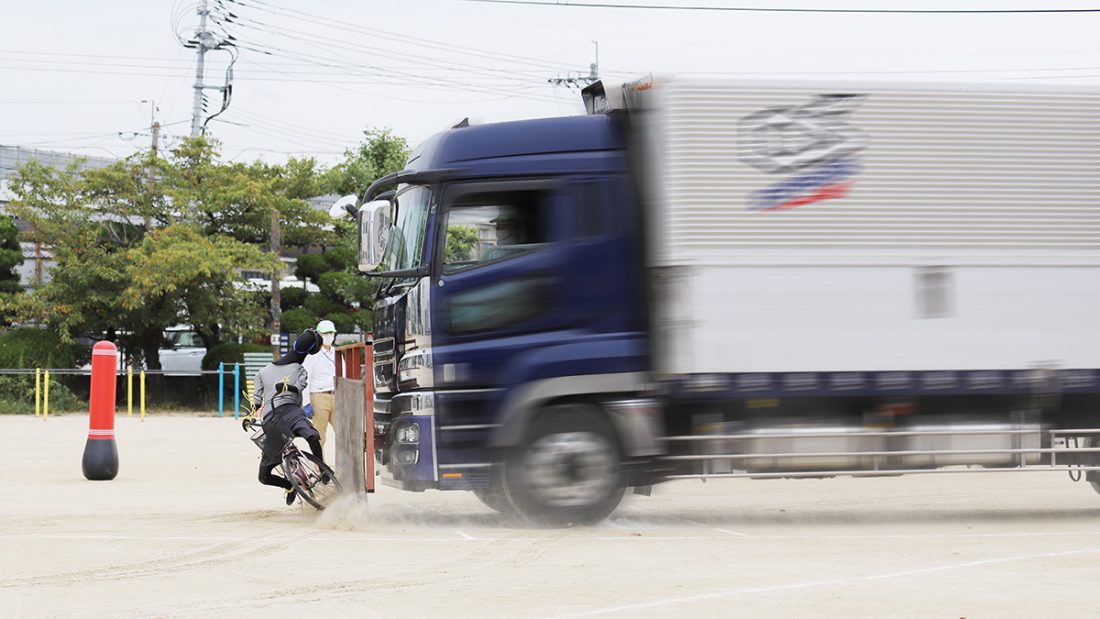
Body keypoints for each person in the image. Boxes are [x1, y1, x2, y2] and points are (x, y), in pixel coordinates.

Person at [250, 329, 326, 506]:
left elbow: (256, 403)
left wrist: (251, 415)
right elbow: (298, 388)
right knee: (312, 437)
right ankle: (292, 485)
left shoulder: (265, 372)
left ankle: (321, 471)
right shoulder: (299, 370)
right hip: (279, 417)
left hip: (282, 414)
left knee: (265, 476)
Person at [302, 319, 338, 449]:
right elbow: (306, 380)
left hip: (337, 395)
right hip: (319, 396)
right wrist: (306, 403)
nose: (329, 336)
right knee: (319, 436)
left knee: (343, 433)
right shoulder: (312, 355)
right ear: (318, 335)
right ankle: (318, 468)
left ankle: (343, 467)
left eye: (331, 333)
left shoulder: (337, 353)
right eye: (325, 333)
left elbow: (343, 375)